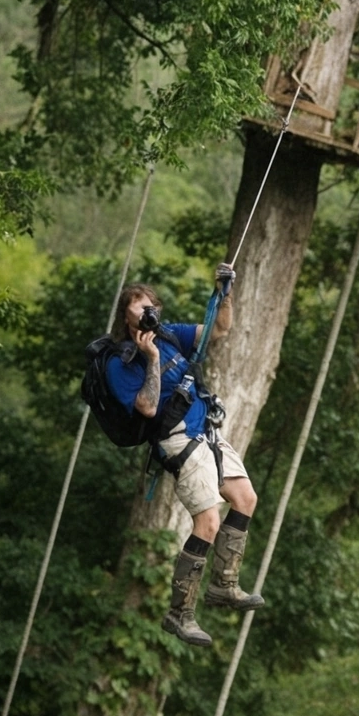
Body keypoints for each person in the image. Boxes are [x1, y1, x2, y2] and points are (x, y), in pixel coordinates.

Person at [105, 265, 263, 647]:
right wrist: (152, 358)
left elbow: (219, 330)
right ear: (125, 318)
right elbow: (144, 407)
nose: (147, 316)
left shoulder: (170, 334)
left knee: (246, 498)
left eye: (150, 308)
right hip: (176, 440)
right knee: (208, 521)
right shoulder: (120, 361)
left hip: (205, 430)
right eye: (138, 311)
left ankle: (224, 586)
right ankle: (179, 612)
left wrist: (224, 293)